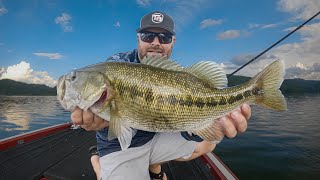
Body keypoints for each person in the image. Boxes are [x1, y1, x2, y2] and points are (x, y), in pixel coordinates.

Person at [71, 11, 251, 180]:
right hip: (119, 145)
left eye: (163, 37)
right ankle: (98, 161)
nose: (155, 42)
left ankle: (153, 165)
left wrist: (207, 125)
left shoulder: (177, 74)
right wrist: (101, 119)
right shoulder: (115, 66)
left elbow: (186, 120)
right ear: (138, 39)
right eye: (148, 36)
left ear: (172, 42)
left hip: (154, 136)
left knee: (210, 141)